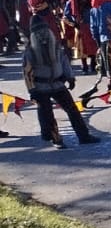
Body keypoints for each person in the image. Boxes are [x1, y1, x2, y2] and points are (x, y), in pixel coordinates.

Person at [22, 13, 99, 147]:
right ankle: (56, 138)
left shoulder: (56, 45)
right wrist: (32, 90)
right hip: (41, 86)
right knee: (47, 115)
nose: (42, 34)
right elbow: (27, 72)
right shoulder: (30, 52)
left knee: (73, 110)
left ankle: (83, 135)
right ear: (33, 34)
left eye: (44, 30)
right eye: (38, 31)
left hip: (58, 83)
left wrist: (69, 77)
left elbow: (64, 62)